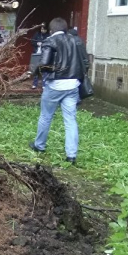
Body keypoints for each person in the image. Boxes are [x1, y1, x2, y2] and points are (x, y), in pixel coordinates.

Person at [29, 17, 89, 164]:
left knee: (46, 116)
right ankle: (71, 155)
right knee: (70, 120)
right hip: (72, 86)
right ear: (65, 28)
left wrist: (35, 72)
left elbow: (44, 64)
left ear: (51, 30)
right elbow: (86, 63)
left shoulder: (50, 41)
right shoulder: (77, 41)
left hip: (55, 86)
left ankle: (39, 145)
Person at [29, 24, 49, 89]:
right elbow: (32, 41)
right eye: (42, 29)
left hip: (44, 54)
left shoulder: (48, 36)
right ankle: (35, 84)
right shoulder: (37, 34)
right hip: (36, 53)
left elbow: (50, 44)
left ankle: (44, 84)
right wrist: (37, 43)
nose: (42, 30)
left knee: (44, 70)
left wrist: (43, 44)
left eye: (44, 29)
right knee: (35, 69)